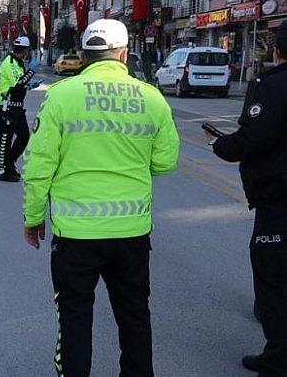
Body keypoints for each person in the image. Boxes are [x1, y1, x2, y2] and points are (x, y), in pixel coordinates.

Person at [22, 19, 180, 376]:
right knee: (135, 315)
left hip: (76, 236)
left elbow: (38, 168)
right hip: (131, 232)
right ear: (123, 54)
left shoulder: (61, 95)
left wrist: (33, 218)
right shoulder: (151, 97)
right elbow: (165, 162)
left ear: (83, 56)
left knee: (75, 318)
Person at [206, 19, 287, 376]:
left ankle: (279, 359)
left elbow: (255, 137)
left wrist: (221, 144)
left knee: (274, 278)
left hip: (279, 199)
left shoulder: (272, 86)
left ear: (277, 49)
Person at [0, 36, 41, 182]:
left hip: (17, 107)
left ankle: (10, 163)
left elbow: (20, 84)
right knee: (5, 139)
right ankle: (4, 170)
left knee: (24, 136)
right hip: (7, 107)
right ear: (25, 51)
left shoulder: (18, 63)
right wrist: (32, 71)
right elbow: (17, 84)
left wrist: (30, 85)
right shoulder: (9, 63)